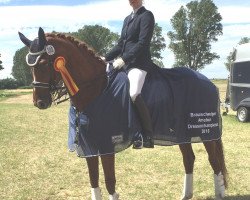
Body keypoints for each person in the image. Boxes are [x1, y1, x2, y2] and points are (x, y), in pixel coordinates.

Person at [104, 0, 155, 149]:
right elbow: (121, 44)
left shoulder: (146, 16)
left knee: (133, 93)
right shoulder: (127, 19)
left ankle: (147, 135)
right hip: (124, 63)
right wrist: (105, 57)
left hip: (139, 64)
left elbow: (143, 43)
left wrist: (124, 59)